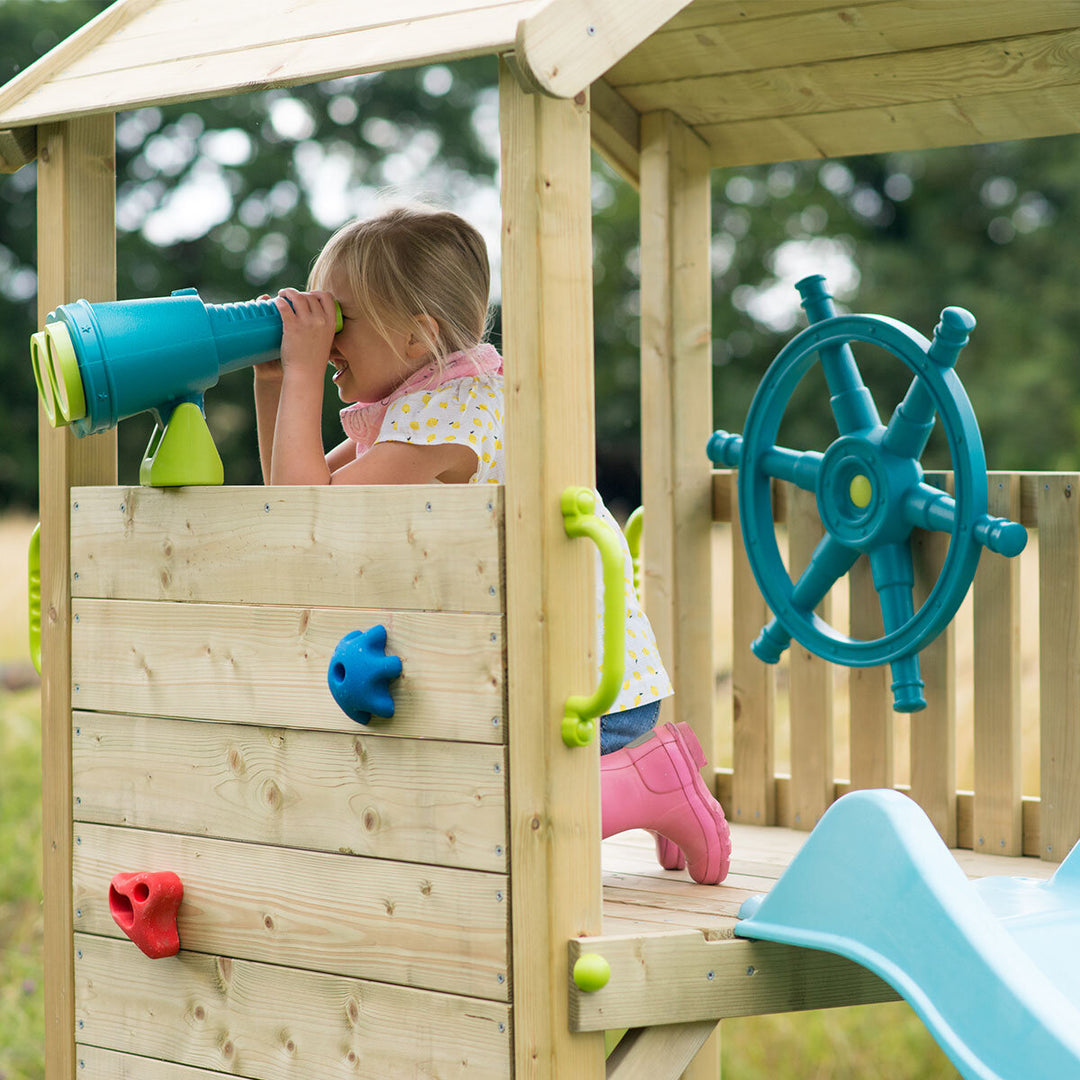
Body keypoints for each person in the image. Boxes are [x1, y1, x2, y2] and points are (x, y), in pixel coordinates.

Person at [254, 204, 730, 884]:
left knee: (511, 824)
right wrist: (272, 381)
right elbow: (292, 496)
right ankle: (654, 771)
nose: (323, 340)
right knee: (467, 816)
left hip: (586, 695)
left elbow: (310, 511)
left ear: (418, 338)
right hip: (528, 677)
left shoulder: (455, 416)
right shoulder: (419, 404)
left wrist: (299, 373)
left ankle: (655, 773)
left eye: (340, 322)